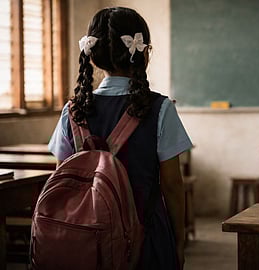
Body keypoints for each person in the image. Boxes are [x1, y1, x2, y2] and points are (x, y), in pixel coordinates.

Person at [48, 7, 192, 269]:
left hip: (85, 238)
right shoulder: (161, 109)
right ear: (143, 54)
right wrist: (178, 243)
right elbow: (172, 185)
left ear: (92, 57)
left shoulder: (72, 111)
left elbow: (62, 176)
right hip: (146, 237)